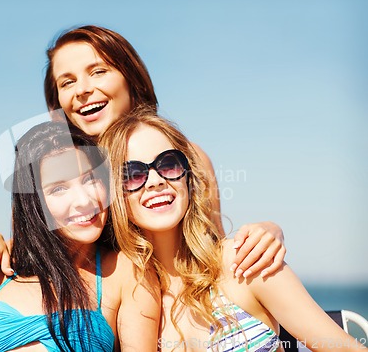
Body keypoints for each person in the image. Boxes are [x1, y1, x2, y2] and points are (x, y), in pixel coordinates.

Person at [0, 25, 286, 303]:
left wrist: (269, 231)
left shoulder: (188, 157)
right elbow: (32, 247)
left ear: (130, 79)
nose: (83, 90)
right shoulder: (48, 172)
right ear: (56, 104)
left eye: (98, 71)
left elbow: (212, 247)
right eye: (67, 82)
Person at [99, 107, 365, 352]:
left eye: (168, 164)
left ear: (188, 175)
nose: (156, 181)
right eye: (132, 174)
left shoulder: (244, 262)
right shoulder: (124, 297)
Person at [0, 121, 160, 352]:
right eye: (59, 188)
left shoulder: (125, 271)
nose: (84, 201)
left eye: (90, 179)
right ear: (33, 204)